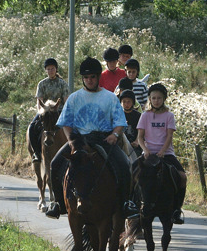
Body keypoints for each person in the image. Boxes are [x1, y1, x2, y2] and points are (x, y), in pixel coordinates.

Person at [45, 56, 139, 219]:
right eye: (86, 77)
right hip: (79, 140)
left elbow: (120, 122)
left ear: (97, 77)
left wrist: (114, 135)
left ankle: (126, 203)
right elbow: (66, 122)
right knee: (55, 164)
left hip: (103, 139)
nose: (89, 80)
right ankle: (58, 203)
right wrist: (70, 139)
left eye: (92, 77)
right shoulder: (74, 98)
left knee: (125, 165)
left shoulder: (109, 97)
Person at [137, 83, 187, 224]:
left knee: (182, 177)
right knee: (132, 173)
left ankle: (176, 209)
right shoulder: (145, 116)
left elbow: (169, 136)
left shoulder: (169, 116)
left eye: (159, 98)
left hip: (166, 154)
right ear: (150, 99)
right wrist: (146, 150)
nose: (156, 100)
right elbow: (140, 137)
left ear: (164, 99)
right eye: (153, 98)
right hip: (148, 154)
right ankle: (132, 206)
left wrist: (162, 151)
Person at [27, 58, 69, 163]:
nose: (51, 71)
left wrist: (63, 113)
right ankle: (36, 152)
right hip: (45, 111)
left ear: (56, 69)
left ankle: (71, 150)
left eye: (52, 68)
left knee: (72, 127)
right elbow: (39, 101)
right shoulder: (42, 84)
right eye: (48, 69)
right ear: (46, 70)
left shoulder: (62, 84)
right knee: (32, 126)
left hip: (58, 111)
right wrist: (42, 111)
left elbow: (66, 100)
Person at [119, 89, 142, 155]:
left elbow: (141, 130)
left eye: (129, 102)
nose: (126, 104)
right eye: (124, 102)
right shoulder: (118, 115)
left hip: (134, 144)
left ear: (133, 102)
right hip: (122, 144)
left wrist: (137, 141)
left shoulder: (138, 115)